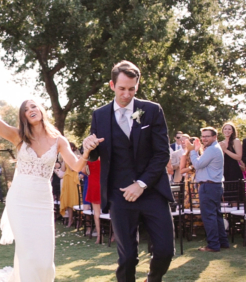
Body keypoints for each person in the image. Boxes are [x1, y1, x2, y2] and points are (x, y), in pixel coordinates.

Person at [0, 84, 91, 282]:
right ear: (24, 117)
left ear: (41, 110)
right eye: (26, 110)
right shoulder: (19, 136)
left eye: (33, 106)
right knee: (27, 252)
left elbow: (77, 166)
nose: (31, 111)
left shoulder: (58, 140)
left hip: (42, 202)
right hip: (19, 199)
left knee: (44, 257)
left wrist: (86, 152)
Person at [83, 60, 174, 282]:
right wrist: (88, 148)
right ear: (112, 85)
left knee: (164, 251)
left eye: (132, 89)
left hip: (152, 191)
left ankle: (152, 279)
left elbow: (162, 154)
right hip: (118, 194)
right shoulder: (100, 115)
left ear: (137, 86)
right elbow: (96, 154)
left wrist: (141, 184)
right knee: (127, 257)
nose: (127, 94)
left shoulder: (152, 110)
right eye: (122, 88)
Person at [186, 127, 229, 252]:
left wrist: (192, 151)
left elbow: (198, 164)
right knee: (216, 215)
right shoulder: (213, 149)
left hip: (209, 186)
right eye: (203, 136)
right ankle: (222, 242)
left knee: (209, 216)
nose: (204, 138)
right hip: (214, 185)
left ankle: (213, 245)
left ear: (215, 137)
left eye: (207, 136)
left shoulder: (212, 150)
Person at [60, 142, 81, 228]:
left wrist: (68, 159)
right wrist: (64, 160)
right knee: (68, 200)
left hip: (73, 179)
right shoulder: (65, 157)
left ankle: (78, 221)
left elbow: (73, 168)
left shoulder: (75, 156)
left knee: (75, 200)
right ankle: (70, 220)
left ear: (72, 148)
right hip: (67, 179)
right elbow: (63, 169)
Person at [85, 159, 103, 244]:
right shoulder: (104, 157)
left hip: (93, 184)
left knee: (96, 213)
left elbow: (84, 171)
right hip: (104, 184)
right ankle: (114, 234)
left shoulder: (89, 158)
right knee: (112, 212)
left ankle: (99, 236)